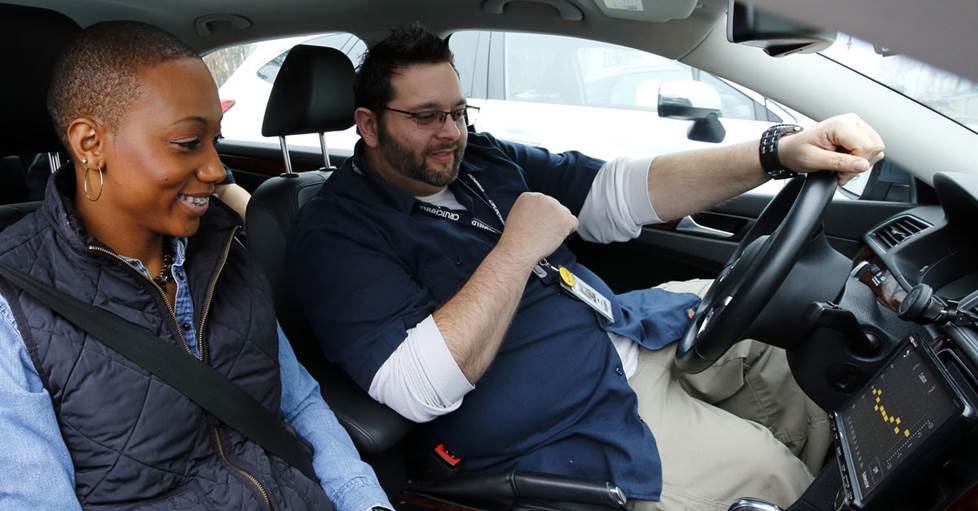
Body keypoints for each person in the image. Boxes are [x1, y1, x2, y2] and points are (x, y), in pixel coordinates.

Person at [287, 24, 885, 510]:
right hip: (561, 420)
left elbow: (619, 191)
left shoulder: (482, 159)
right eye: (426, 117)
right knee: (769, 474)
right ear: (368, 124)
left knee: (789, 334)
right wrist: (517, 250)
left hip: (624, 329)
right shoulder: (335, 232)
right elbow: (416, 390)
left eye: (458, 111)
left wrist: (774, 151)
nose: (451, 134)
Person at [0, 21, 391, 510]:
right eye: (188, 143)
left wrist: (365, 502)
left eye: (215, 142)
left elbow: (300, 404)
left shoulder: (225, 250)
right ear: (89, 144)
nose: (216, 170)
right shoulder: (13, 306)